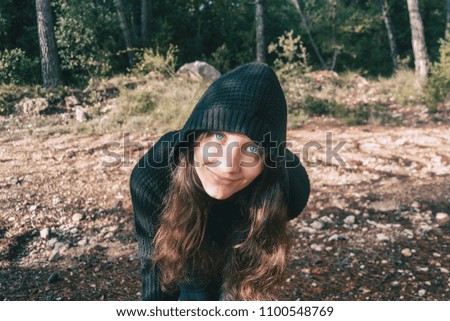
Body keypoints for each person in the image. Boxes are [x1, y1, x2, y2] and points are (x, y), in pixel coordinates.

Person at [129, 62, 310, 301]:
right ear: (195, 139)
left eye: (253, 148)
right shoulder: (152, 178)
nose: (228, 167)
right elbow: (155, 272)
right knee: (191, 288)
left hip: (236, 235)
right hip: (183, 222)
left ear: (268, 162)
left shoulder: (277, 190)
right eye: (218, 136)